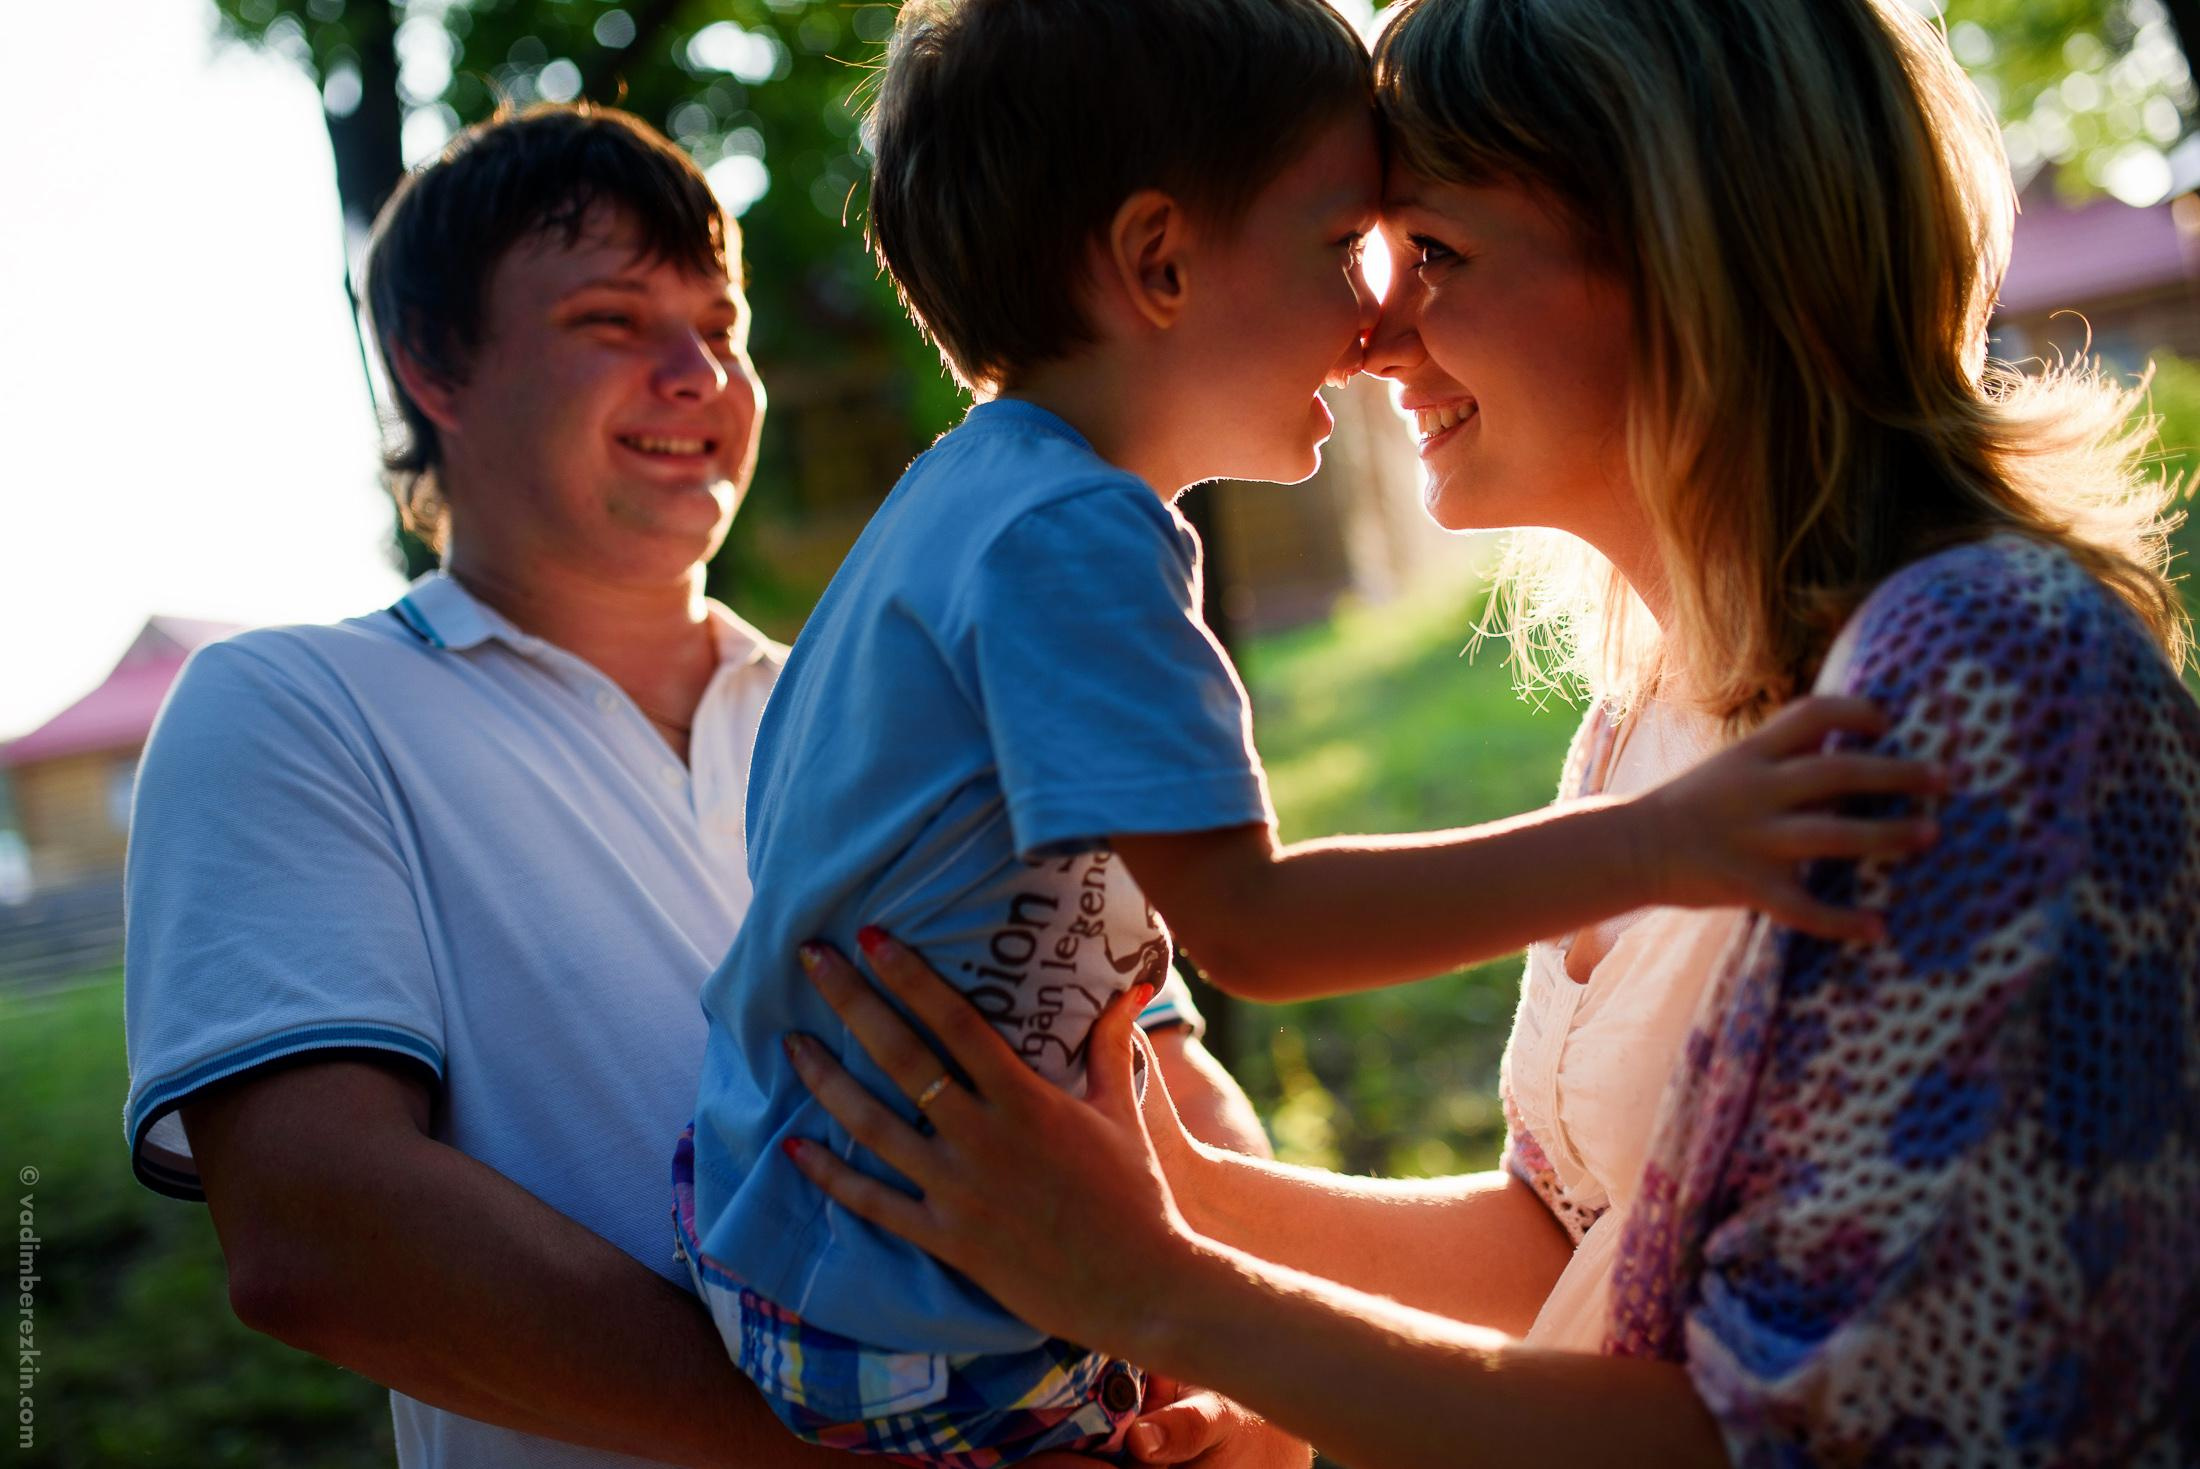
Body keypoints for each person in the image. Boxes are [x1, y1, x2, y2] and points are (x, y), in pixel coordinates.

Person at [769, 0, 2200, 1463]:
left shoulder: (1987, 676)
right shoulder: (1654, 704)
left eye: (1433, 253)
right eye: (1362, 253)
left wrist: (1169, 1294)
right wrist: (1148, 1190)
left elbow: (1797, 1438)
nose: (1374, 332)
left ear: (1687, 248)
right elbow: (1565, 1241)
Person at [119, 102, 1277, 1469]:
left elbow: (1166, 1081)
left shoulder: (919, 698)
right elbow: (320, 1231)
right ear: (431, 362)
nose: (700, 376)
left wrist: (1247, 1386)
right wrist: (891, 1453)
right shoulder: (294, 710)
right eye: (613, 322)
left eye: (721, 329)